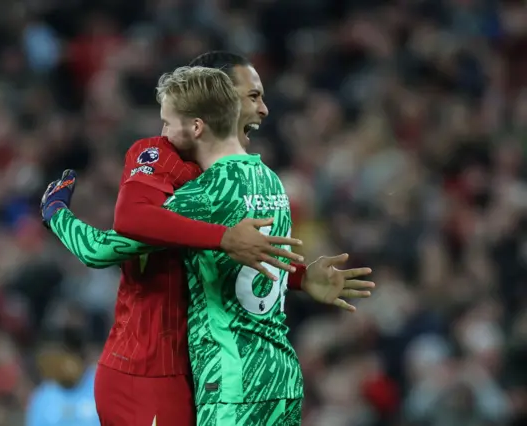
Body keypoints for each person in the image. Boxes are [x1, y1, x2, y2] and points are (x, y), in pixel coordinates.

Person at [40, 66, 373, 425]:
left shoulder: (205, 192)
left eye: (167, 123)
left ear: (196, 126)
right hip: (280, 375)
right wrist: (301, 276)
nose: (163, 134)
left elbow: (105, 245)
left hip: (229, 378)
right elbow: (256, 256)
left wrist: (56, 212)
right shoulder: (272, 182)